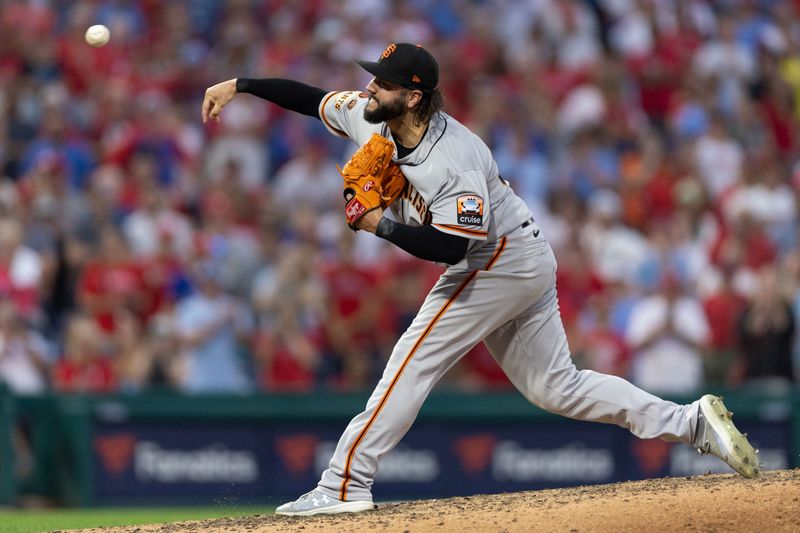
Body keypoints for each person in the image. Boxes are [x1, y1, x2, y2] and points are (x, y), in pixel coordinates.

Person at [202, 42, 759, 516]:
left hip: (497, 257)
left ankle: (344, 484)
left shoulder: (455, 158)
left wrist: (380, 223)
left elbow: (454, 246)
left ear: (413, 97)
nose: (369, 88)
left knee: (414, 356)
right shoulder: (373, 115)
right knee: (555, 386)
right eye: (371, 78)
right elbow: (308, 98)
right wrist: (243, 84)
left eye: (382, 83)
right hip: (521, 257)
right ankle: (691, 423)